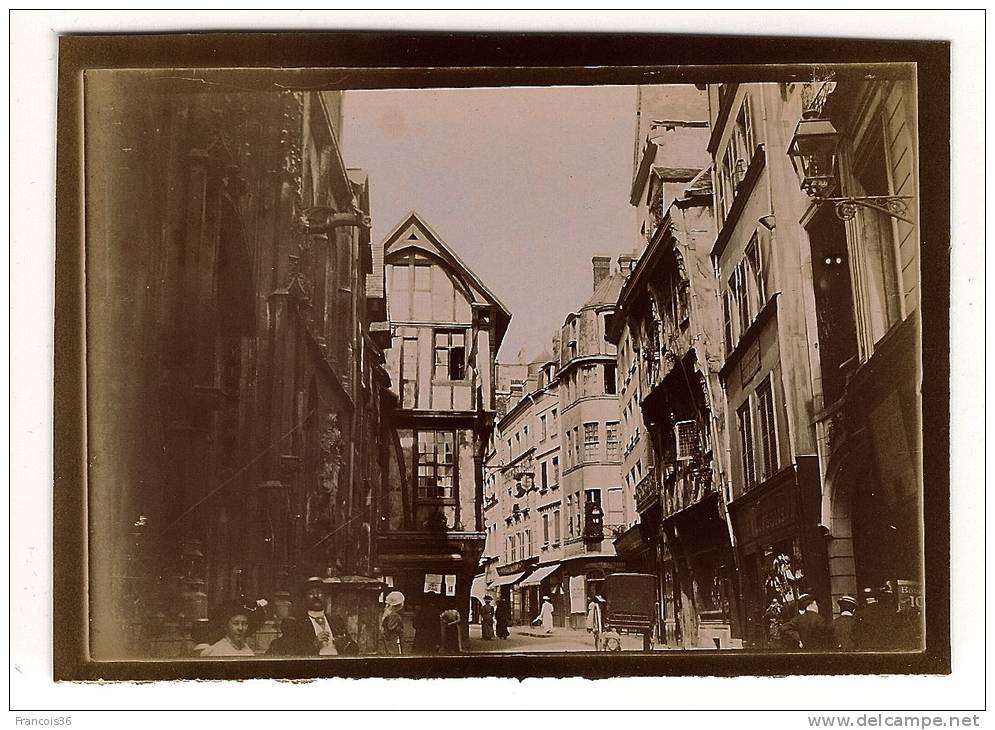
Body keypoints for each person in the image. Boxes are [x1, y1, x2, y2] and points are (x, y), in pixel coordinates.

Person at [266, 577, 357, 656]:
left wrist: (344, 644)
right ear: (305, 598)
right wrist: (314, 644)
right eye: (310, 593)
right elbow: (289, 653)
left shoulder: (336, 621)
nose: (316, 596)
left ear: (325, 597)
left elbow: (355, 649)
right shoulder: (296, 624)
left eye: (320, 592)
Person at [853, 586, 898, 651]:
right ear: (876, 599)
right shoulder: (885, 612)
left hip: (867, 648)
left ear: (866, 600)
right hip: (885, 647)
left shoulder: (860, 614)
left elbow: (855, 634)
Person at [380, 590, 406, 655]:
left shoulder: (388, 612)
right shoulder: (394, 615)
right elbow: (391, 627)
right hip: (394, 638)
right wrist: (400, 629)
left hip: (389, 638)